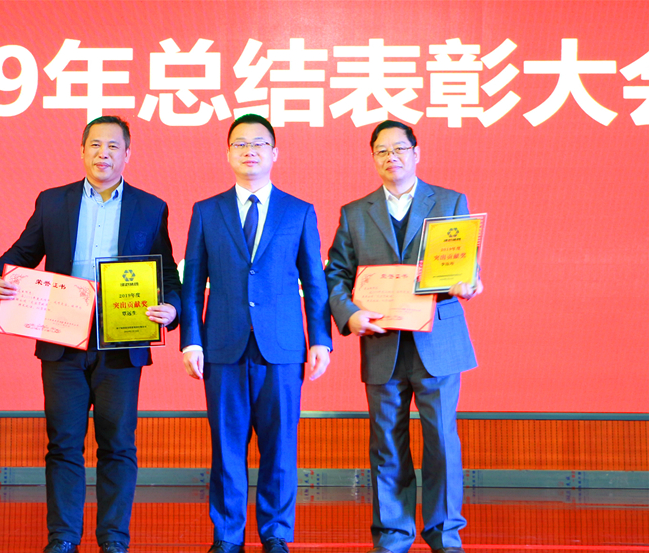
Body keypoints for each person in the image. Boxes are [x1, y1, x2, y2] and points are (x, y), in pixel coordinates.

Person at [0, 115, 181, 553]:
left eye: (113, 146)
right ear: (83, 150)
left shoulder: (151, 207)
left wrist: (172, 308)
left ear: (127, 154)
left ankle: (113, 539)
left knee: (118, 445)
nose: (103, 153)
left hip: (122, 344)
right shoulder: (54, 201)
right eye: (95, 145)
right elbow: (22, 252)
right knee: (63, 444)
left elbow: (166, 271)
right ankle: (63, 537)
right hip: (62, 341)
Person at [325, 120, 483, 553]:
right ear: (373, 157)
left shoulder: (449, 201)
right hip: (382, 340)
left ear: (417, 153)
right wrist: (351, 314)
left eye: (399, 149)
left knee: (441, 440)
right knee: (386, 444)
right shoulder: (355, 213)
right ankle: (393, 534)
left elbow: (465, 263)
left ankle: (445, 534)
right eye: (382, 151)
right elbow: (336, 274)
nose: (391, 157)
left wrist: (468, 283)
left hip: (437, 341)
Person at [180, 114, 332, 553]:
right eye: (241, 144)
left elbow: (314, 282)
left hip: (282, 348)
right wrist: (191, 339)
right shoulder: (206, 211)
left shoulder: (299, 211)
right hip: (222, 346)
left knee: (280, 447)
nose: (250, 151)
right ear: (228, 153)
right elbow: (193, 284)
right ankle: (227, 535)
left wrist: (320, 340)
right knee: (227, 447)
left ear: (274, 153)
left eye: (260, 143)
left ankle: (276, 532)